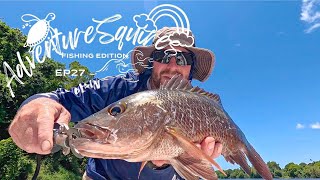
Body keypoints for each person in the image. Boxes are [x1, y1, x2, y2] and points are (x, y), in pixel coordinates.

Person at [9, 27, 223, 180]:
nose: (173, 65)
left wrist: (168, 162)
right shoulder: (117, 88)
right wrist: (37, 104)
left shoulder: (201, 106)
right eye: (164, 56)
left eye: (183, 59)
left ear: (191, 69)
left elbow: (195, 167)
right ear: (151, 61)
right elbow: (62, 98)